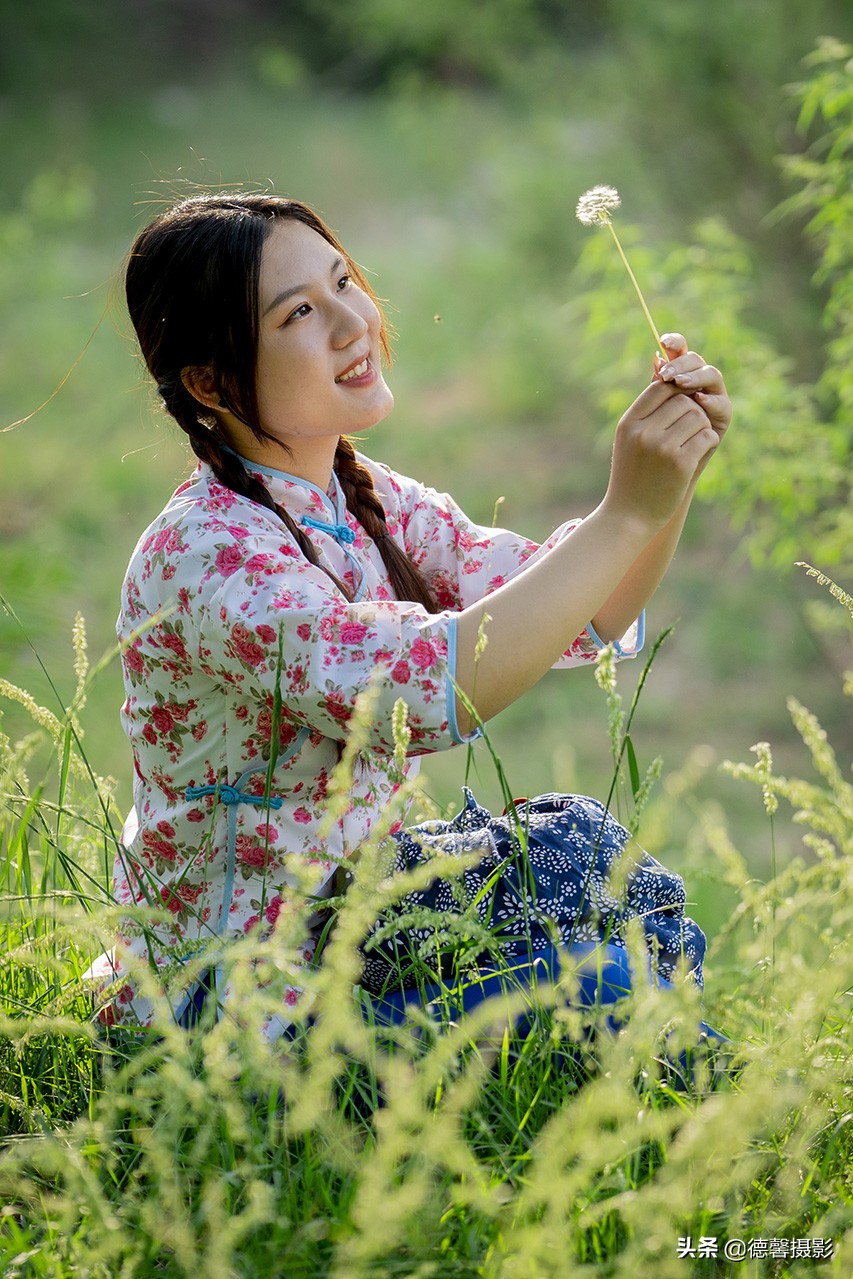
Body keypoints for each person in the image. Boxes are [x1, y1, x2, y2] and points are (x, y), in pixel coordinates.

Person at [92, 191, 731, 1041]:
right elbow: (430, 691)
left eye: (342, 282)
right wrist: (624, 511)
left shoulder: (366, 498)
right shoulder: (206, 553)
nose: (351, 322)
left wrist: (667, 482)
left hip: (356, 927)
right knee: (596, 982)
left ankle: (694, 1077)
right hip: (236, 999)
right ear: (210, 381)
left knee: (596, 861)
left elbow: (590, 608)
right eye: (298, 314)